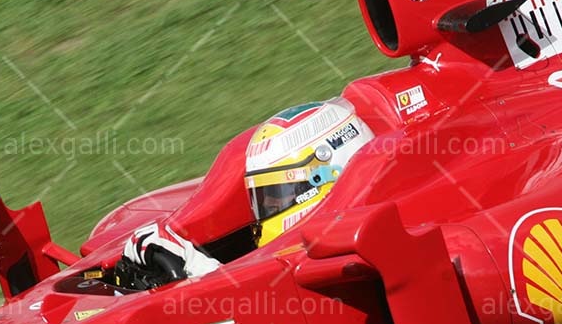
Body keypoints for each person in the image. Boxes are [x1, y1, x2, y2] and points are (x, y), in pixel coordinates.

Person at [123, 98, 375, 278]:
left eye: (278, 194)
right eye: (263, 197)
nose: (270, 206)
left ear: (328, 175)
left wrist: (195, 267)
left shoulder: (355, 255)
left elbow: (273, 299)